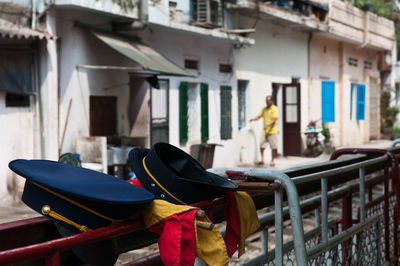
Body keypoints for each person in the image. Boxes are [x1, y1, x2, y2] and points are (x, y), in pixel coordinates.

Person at [250, 95, 279, 166]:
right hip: (265, 131)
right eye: (266, 101)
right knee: (261, 145)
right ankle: (262, 159)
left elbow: (274, 119)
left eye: (268, 101)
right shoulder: (264, 109)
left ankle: (272, 160)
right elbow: (259, 116)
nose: (266, 102)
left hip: (272, 131)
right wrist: (253, 119)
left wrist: (268, 124)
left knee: (273, 146)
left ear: (271, 101)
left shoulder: (274, 109)